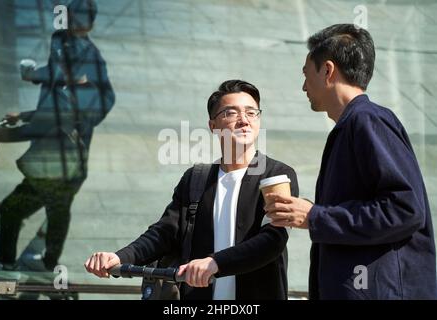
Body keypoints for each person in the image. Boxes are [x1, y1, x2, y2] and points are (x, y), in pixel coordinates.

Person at [264, 24, 437, 299]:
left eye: (306, 75)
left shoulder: (367, 120)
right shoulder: (353, 125)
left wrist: (315, 216)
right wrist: (315, 213)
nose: (303, 86)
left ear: (328, 71)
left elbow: (405, 209)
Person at [85, 80, 299, 300]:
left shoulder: (278, 175)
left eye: (251, 113)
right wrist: (120, 257)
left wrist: (215, 263)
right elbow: (164, 233)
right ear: (213, 125)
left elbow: (273, 240)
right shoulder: (196, 179)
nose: (243, 120)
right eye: (230, 113)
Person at [0, 0, 115, 272]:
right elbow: (53, 88)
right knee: (58, 210)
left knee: (18, 209)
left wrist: (2, 134)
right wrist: (28, 104)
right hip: (61, 163)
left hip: (58, 167)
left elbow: (55, 116)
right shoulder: (60, 41)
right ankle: (47, 263)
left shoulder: (91, 66)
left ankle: (9, 266)